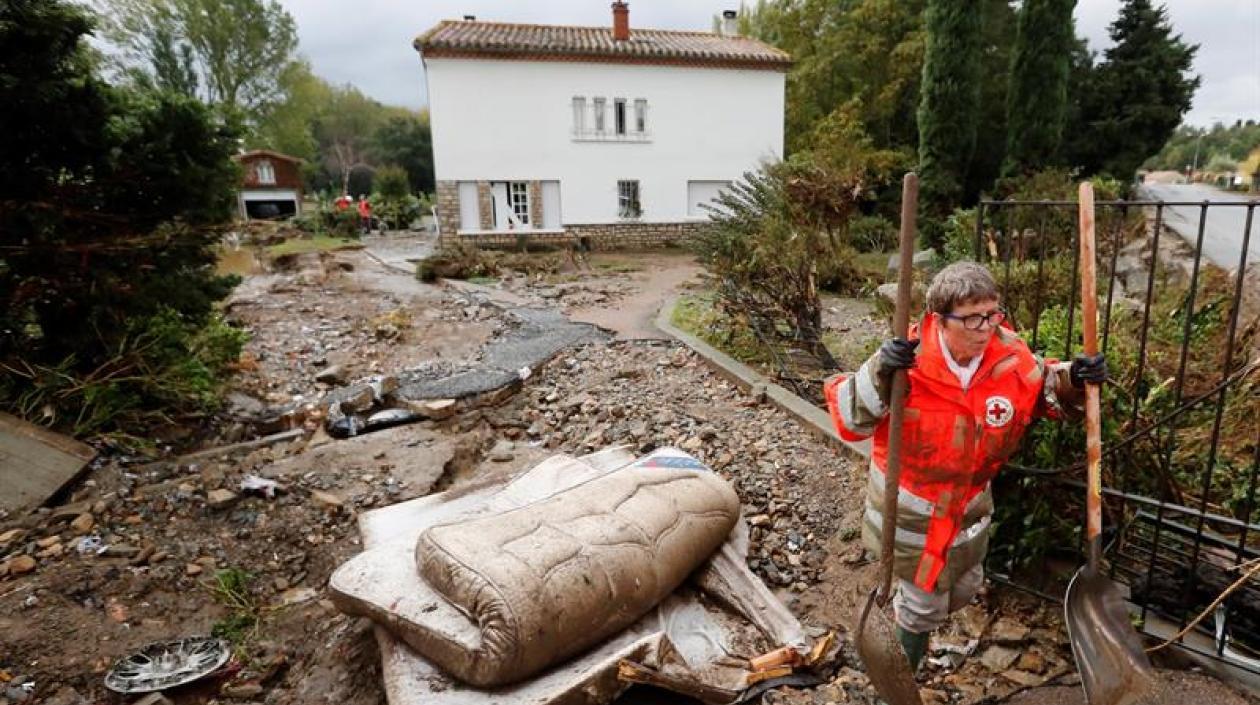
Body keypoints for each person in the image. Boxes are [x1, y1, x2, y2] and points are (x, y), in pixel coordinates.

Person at [824, 261, 1106, 672]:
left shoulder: (1009, 355)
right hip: (912, 510)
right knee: (924, 606)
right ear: (940, 320)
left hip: (969, 509)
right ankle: (898, 686)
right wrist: (880, 371)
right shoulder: (907, 362)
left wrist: (1075, 379)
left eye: (992, 314)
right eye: (972, 318)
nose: (985, 327)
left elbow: (1043, 390)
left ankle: (908, 618)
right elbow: (850, 421)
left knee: (964, 588)